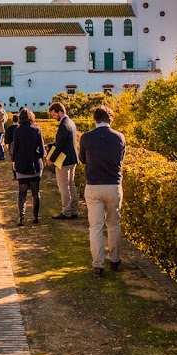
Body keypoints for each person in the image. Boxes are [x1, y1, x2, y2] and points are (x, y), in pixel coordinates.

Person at [77, 105, 127, 277]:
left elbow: (82, 159)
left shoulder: (87, 137)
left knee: (96, 227)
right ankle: (115, 260)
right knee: (114, 224)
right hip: (113, 185)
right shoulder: (120, 137)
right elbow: (121, 159)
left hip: (94, 185)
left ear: (95, 119)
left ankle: (98, 265)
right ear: (110, 119)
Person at [10, 107, 46, 226]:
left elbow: (15, 149)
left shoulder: (17, 130)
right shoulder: (36, 130)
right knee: (36, 193)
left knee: (22, 193)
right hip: (35, 164)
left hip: (21, 164)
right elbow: (42, 150)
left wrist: (14, 161)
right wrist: (38, 156)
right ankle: (35, 217)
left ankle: (21, 218)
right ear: (31, 117)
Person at [47, 102, 79, 219]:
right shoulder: (70, 123)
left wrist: (51, 159)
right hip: (72, 158)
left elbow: (60, 145)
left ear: (60, 112)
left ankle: (66, 212)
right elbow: (64, 141)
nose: (53, 117)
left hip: (64, 160)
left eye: (54, 115)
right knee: (71, 184)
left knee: (64, 186)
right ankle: (74, 210)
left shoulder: (63, 125)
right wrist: (50, 145)